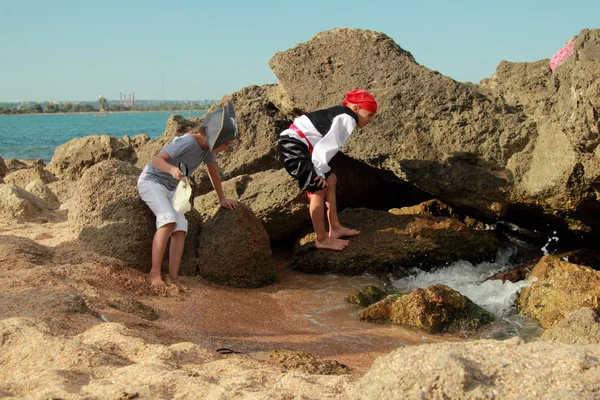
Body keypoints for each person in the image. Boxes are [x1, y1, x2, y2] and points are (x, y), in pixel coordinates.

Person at [138, 100, 239, 288]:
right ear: (215, 137)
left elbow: (213, 172)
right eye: (226, 145)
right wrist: (171, 170)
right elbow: (156, 160)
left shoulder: (207, 150)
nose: (226, 148)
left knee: (181, 225)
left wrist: (222, 198)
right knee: (168, 219)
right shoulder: (187, 142)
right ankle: (155, 273)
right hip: (152, 182)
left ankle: (174, 277)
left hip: (170, 190)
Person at [277, 89, 377, 251]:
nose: (371, 120)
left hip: (301, 144)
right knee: (318, 186)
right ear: (357, 109)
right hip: (294, 145)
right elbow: (325, 148)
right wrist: (319, 172)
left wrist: (322, 172)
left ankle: (335, 227)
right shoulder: (347, 119)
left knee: (331, 179)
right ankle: (322, 238)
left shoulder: (343, 114)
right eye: (370, 114)